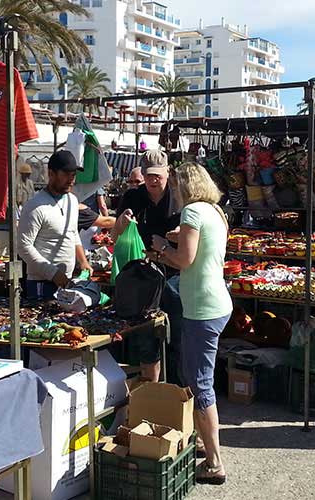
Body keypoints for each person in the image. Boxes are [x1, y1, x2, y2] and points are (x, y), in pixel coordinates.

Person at [151, 162, 232, 485]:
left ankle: (214, 463)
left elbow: (184, 260)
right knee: (195, 375)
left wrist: (162, 247)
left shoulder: (192, 212)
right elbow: (202, 250)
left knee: (200, 383)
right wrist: (179, 238)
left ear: (183, 187)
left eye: (174, 188)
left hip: (203, 308)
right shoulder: (215, 211)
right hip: (216, 303)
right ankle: (202, 440)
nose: (172, 193)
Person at [113, 150, 181, 383]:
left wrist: (178, 237)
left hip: (174, 271)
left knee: (177, 333)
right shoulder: (133, 197)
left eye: (157, 176)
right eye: (148, 175)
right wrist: (121, 224)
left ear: (167, 173)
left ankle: (176, 388)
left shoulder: (179, 197)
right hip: (143, 273)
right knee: (146, 337)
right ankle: (151, 389)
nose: (153, 180)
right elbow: (115, 235)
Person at [18, 150, 93, 300]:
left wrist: (83, 261)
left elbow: (72, 233)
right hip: (41, 283)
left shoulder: (72, 200)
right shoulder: (35, 206)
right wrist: (53, 273)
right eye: (66, 174)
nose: (71, 180)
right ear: (51, 173)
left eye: (73, 175)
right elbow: (23, 246)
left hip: (66, 280)